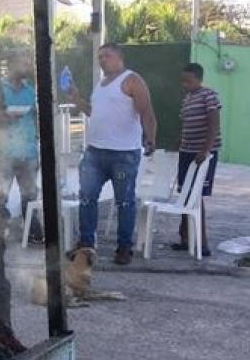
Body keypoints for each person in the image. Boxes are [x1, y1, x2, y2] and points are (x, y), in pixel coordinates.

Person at [69, 43, 158, 265]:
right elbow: (93, 112)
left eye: (106, 56)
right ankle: (86, 245)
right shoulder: (100, 84)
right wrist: (78, 101)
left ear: (120, 57)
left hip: (123, 153)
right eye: (99, 57)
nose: (102, 60)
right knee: (87, 198)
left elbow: (147, 111)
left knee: (125, 202)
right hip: (95, 152)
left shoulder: (132, 80)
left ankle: (124, 248)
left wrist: (150, 139)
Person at [173, 62, 222, 256]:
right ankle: (185, 239)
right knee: (185, 194)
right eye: (183, 81)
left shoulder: (208, 95)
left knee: (196, 196)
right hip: (186, 152)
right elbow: (186, 124)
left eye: (189, 81)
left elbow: (214, 122)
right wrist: (179, 141)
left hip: (202, 154)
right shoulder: (187, 99)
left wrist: (206, 149)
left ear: (199, 79)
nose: (185, 84)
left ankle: (202, 242)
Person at [1, 54, 43, 244]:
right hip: (4, 153)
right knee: (0, 196)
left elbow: (36, 118)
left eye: (27, 63)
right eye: (22, 63)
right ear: (11, 66)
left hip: (29, 152)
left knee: (30, 196)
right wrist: (4, 117)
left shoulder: (31, 91)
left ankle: (33, 233)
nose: (27, 67)